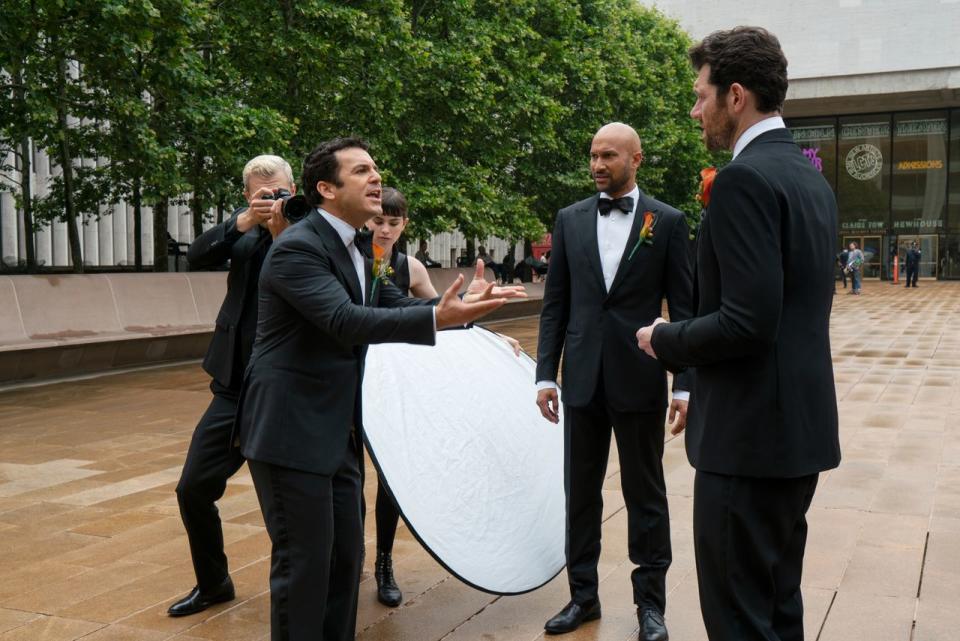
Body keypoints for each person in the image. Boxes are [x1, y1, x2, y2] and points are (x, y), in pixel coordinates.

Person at [236, 137, 518, 641]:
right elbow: (344, 320)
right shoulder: (297, 249)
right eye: (362, 170)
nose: (376, 178)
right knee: (304, 569)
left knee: (346, 561)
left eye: (376, 169)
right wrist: (439, 317)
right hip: (289, 430)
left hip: (338, 429)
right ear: (326, 188)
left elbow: (388, 303)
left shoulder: (358, 247)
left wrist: (468, 318)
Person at [637, 27, 841, 641]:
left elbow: (748, 322)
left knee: (738, 620)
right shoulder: (811, 178)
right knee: (779, 607)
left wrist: (665, 338)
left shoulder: (744, 180)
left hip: (748, 439)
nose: (694, 110)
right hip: (797, 434)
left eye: (699, 96)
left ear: (735, 95)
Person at [536, 122, 694, 641]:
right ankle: (583, 598)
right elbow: (555, 304)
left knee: (645, 494)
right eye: (592, 155)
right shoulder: (569, 219)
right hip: (580, 381)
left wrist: (684, 386)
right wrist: (545, 375)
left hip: (639, 379)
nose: (597, 164)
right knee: (579, 494)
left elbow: (685, 311)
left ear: (636, 159)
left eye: (608, 155)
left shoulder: (667, 222)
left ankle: (651, 607)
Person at [359, 187, 523, 608]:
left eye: (393, 224)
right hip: (351, 372)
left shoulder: (407, 265)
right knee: (346, 476)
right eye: (378, 221)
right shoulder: (352, 256)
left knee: (390, 476)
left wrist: (484, 330)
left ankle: (383, 562)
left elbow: (436, 311)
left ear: (404, 225)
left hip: (395, 382)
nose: (384, 229)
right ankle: (349, 557)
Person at [168, 155, 294, 618]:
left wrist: (285, 224)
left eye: (280, 191)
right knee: (193, 489)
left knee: (288, 503)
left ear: (295, 188)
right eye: (263, 195)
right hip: (233, 383)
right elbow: (198, 254)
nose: (272, 201)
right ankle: (214, 583)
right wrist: (244, 222)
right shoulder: (240, 231)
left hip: (283, 389)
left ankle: (317, 585)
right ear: (247, 195)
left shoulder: (307, 226)